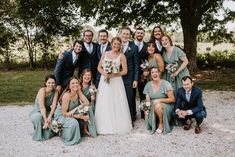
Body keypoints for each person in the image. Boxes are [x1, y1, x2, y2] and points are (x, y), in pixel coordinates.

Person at [95, 37, 132, 134]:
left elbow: (125, 71)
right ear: (111, 44)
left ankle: (118, 125)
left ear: (120, 46)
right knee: (105, 101)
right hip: (105, 81)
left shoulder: (122, 56)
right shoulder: (105, 54)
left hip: (116, 81)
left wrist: (113, 74)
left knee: (117, 101)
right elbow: (99, 67)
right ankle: (104, 125)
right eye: (114, 44)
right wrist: (105, 74)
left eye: (118, 44)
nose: (116, 46)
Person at [53, 77, 96, 146]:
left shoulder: (78, 92)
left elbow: (87, 103)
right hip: (61, 116)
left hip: (71, 113)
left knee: (88, 108)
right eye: (72, 83)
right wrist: (80, 117)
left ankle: (88, 130)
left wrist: (77, 108)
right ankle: (64, 134)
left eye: (76, 83)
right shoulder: (66, 95)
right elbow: (64, 113)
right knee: (74, 123)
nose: (75, 85)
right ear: (69, 86)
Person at [143, 67, 175, 134]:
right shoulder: (148, 85)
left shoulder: (166, 84)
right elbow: (148, 99)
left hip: (165, 104)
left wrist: (159, 100)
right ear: (150, 74)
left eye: (156, 72)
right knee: (149, 111)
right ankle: (155, 122)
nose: (154, 74)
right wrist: (147, 109)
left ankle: (161, 123)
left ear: (159, 73)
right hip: (152, 104)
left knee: (158, 106)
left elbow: (172, 99)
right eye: (152, 72)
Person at [29, 75, 59, 141]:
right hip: (38, 110)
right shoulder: (42, 90)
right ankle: (38, 136)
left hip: (48, 110)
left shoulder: (56, 91)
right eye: (49, 83)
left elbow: (54, 106)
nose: (51, 84)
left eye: (53, 83)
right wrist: (46, 119)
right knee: (38, 117)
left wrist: (50, 117)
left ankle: (48, 132)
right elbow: (42, 107)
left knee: (55, 123)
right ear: (45, 83)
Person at [120, 26, 139, 124]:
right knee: (119, 96)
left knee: (130, 96)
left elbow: (136, 64)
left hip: (129, 76)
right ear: (120, 34)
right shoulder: (115, 45)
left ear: (130, 35)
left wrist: (135, 79)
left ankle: (131, 117)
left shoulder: (134, 47)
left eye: (127, 34)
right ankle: (121, 116)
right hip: (117, 76)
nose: (125, 35)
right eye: (123, 33)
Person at [132, 27, 148, 119]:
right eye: (138, 33)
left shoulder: (147, 46)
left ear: (143, 35)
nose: (140, 34)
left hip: (143, 74)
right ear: (135, 34)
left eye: (141, 33)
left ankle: (143, 113)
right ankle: (133, 113)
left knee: (143, 94)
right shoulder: (130, 44)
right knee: (132, 95)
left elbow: (149, 58)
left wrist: (147, 71)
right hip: (131, 73)